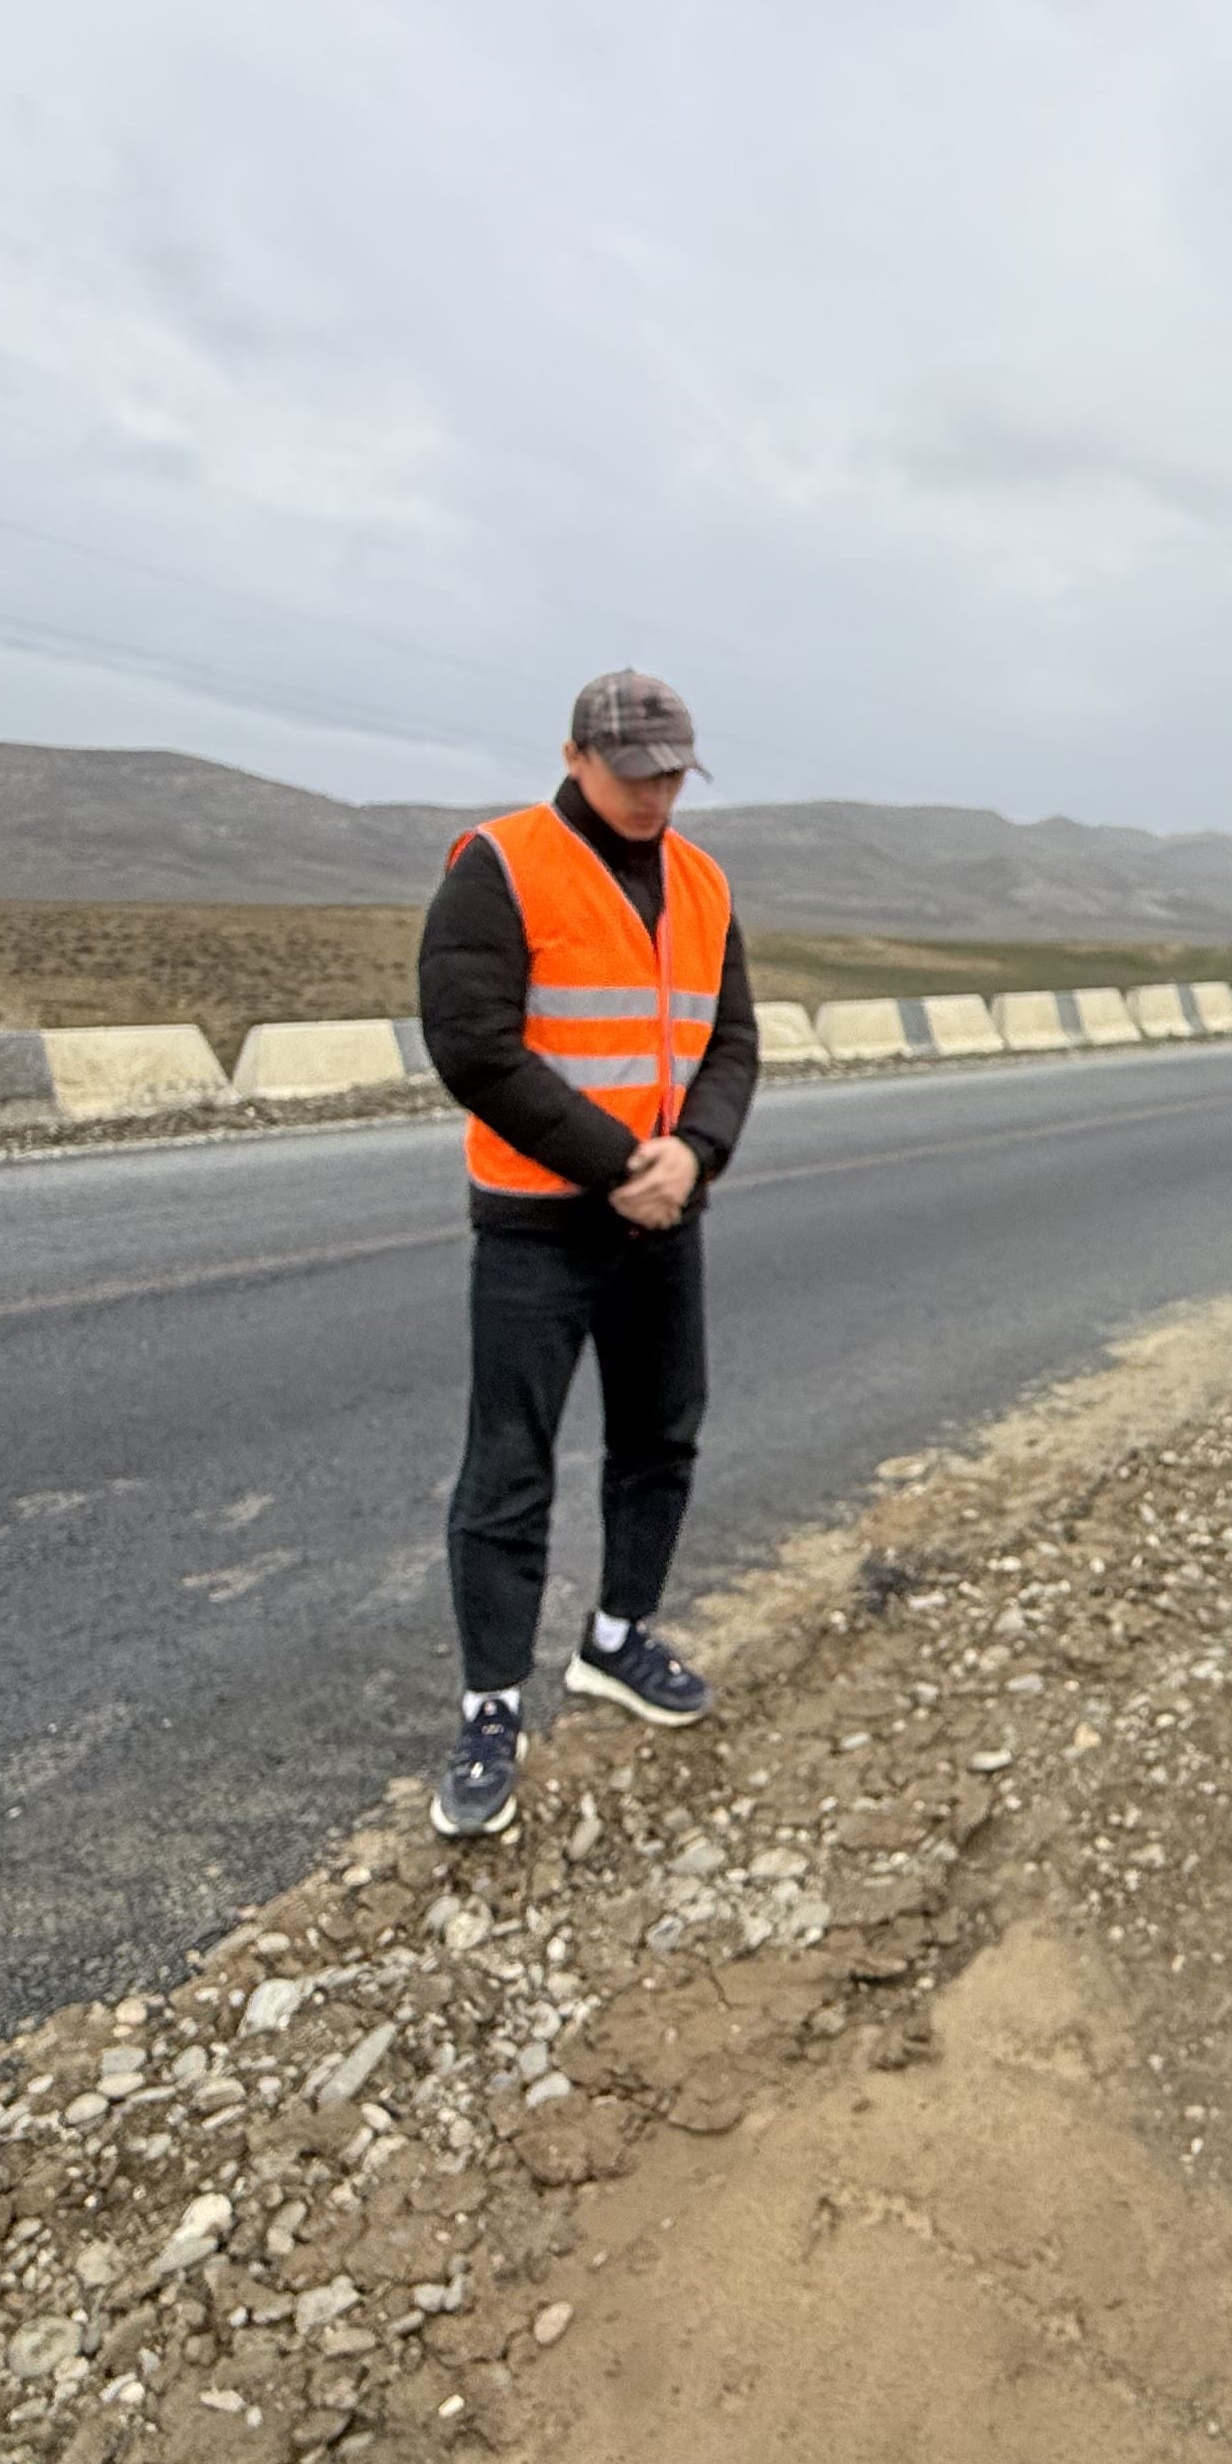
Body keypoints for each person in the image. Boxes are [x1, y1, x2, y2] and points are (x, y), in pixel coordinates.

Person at [415, 670, 761, 1841]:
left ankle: (617, 1637)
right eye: (632, 774)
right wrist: (619, 1162)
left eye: (672, 776)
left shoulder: (704, 881)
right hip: (539, 1226)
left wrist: (696, 1155)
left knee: (661, 1435)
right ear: (574, 758)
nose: (654, 795)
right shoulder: (500, 866)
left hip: (664, 1217)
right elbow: (474, 1047)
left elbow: (732, 1041)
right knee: (509, 1466)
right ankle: (491, 1705)